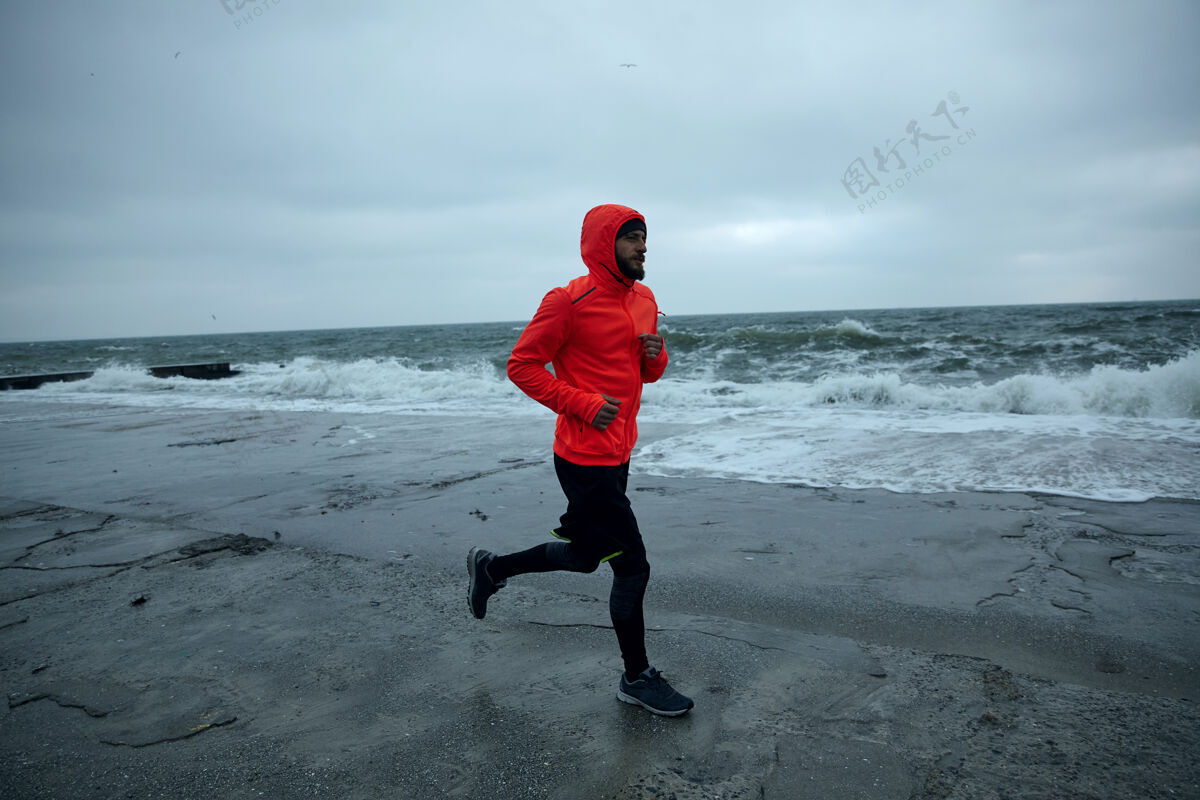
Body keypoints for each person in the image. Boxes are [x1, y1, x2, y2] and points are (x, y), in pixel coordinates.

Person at [467, 203, 694, 717]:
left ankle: (491, 569)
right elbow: (522, 365)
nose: (642, 246)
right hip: (582, 459)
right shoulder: (568, 300)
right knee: (632, 567)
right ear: (604, 245)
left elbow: (645, 374)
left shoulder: (646, 299)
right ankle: (636, 677)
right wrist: (583, 403)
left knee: (586, 556)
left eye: (644, 237)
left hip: (618, 454)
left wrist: (656, 355)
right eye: (632, 237)